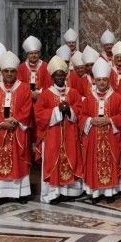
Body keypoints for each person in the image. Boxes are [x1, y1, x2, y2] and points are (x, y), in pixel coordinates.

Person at [0, 51, 32, 204]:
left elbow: (27, 107)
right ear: (2, 72)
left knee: (19, 161)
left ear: (16, 72)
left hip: (17, 131)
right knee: (0, 160)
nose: (9, 74)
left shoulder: (24, 88)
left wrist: (15, 119)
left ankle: (21, 193)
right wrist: (1, 122)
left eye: (12, 71)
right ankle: (1, 194)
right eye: (6, 71)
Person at [35, 56, 83, 204]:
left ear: (66, 75)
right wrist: (57, 110)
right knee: (53, 162)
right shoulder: (46, 94)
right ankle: (54, 193)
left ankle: (69, 192)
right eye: (57, 75)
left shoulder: (73, 93)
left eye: (62, 74)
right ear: (52, 77)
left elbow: (80, 111)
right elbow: (39, 114)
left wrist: (69, 110)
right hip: (52, 136)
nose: (60, 77)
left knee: (71, 160)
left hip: (70, 134)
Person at [80, 58, 121, 203]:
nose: (102, 83)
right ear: (95, 81)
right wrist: (90, 120)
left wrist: (110, 120)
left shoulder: (117, 97)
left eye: (104, 80)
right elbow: (81, 115)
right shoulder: (88, 99)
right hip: (93, 137)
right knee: (93, 162)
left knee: (111, 161)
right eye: (99, 80)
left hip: (111, 136)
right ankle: (95, 193)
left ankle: (110, 192)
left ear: (108, 80)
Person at [17, 35, 52, 100]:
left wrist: (39, 93)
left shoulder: (45, 66)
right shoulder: (22, 67)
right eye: (31, 53)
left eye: (36, 53)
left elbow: (48, 83)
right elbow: (19, 84)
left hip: (42, 97)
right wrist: (30, 93)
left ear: (39, 54)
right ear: (27, 55)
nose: (33, 55)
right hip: (26, 97)